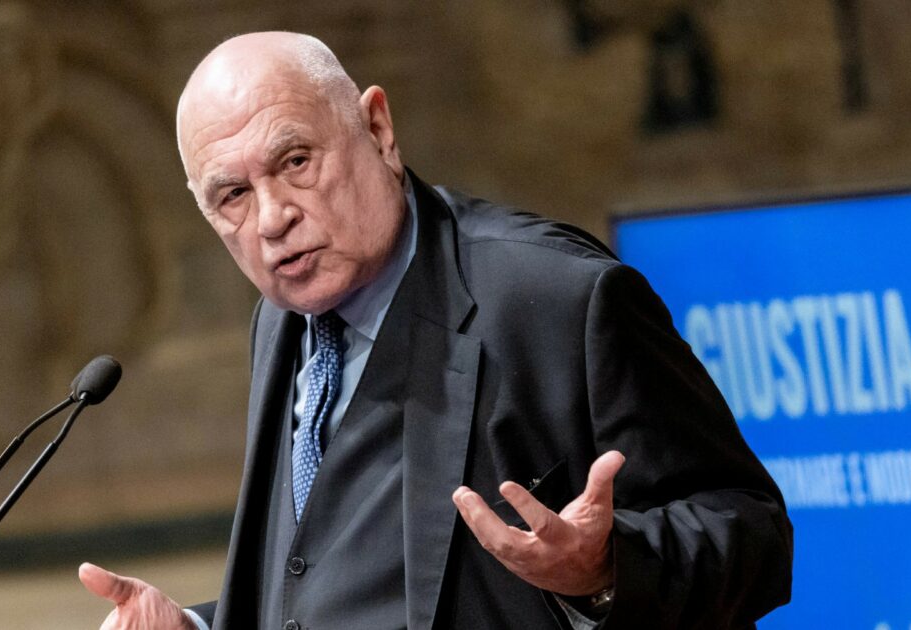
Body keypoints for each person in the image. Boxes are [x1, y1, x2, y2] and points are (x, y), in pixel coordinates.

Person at [78, 31, 793, 629]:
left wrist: (605, 570)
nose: (272, 219)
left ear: (378, 129)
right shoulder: (281, 320)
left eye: (295, 163)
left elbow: (750, 532)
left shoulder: (558, 297)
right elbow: (333, 586)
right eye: (232, 194)